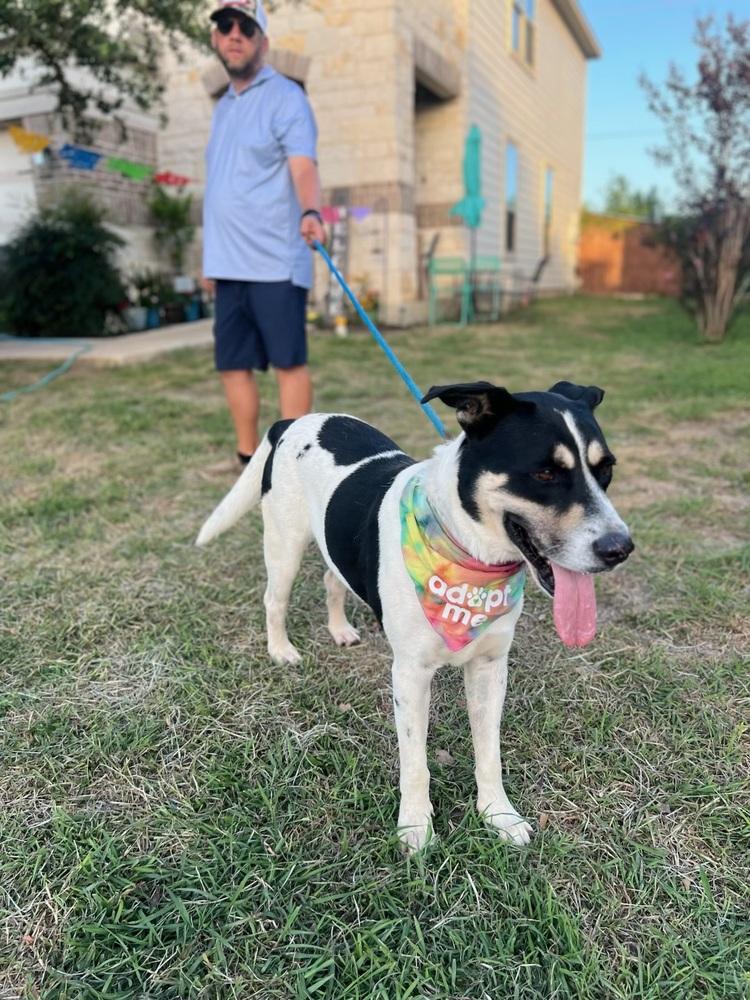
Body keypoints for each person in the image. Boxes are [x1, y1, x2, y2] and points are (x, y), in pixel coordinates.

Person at [203, 0, 326, 471]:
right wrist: (209, 257)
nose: (234, 34)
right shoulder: (223, 109)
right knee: (232, 365)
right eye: (225, 26)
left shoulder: (286, 98)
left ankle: (295, 470)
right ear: (216, 38)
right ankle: (247, 459)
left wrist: (311, 209)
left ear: (262, 41)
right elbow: (221, 187)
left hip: (274, 259)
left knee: (287, 363)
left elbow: (302, 166)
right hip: (226, 262)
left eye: (245, 27)